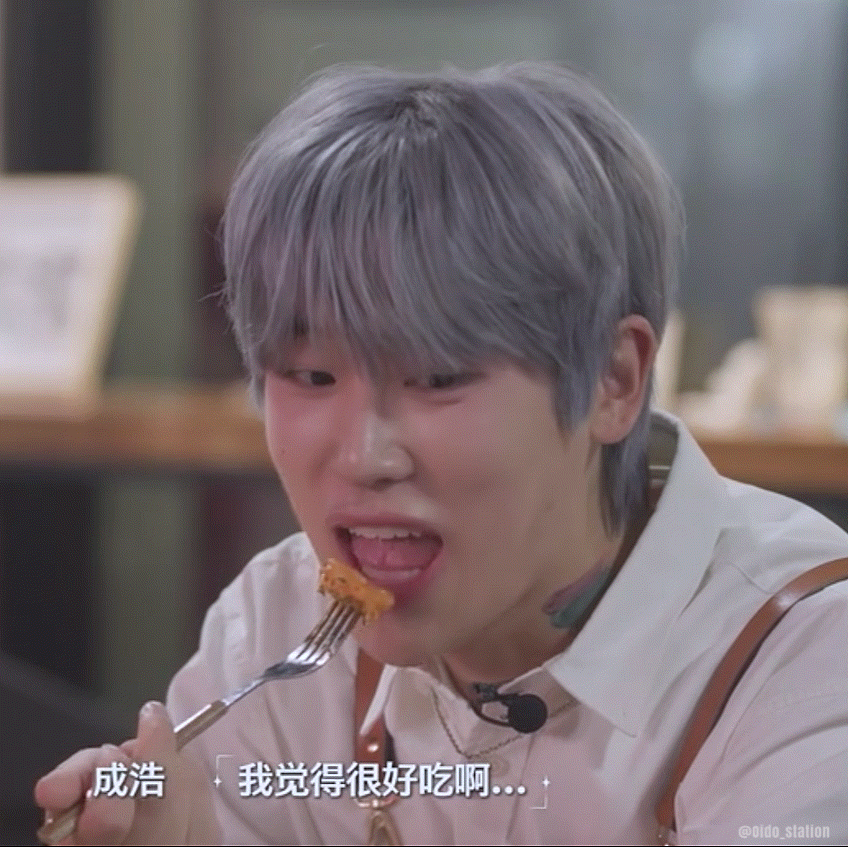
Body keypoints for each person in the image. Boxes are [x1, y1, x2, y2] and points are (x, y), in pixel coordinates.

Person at [36, 62, 848, 846]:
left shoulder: (801, 658)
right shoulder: (275, 631)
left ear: (614, 379)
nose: (365, 456)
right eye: (311, 375)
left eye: (438, 378)